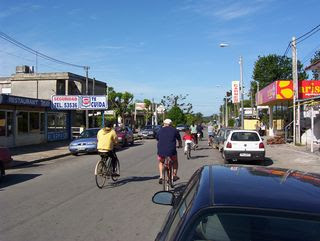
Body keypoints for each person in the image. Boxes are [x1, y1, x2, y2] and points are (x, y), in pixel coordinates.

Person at [156, 119, 182, 184]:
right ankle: (174, 175)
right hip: (171, 151)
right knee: (175, 161)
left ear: (164, 124)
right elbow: (179, 140)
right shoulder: (175, 130)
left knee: (161, 162)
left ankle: (161, 177)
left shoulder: (159, 130)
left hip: (161, 151)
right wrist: (180, 145)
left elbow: (157, 138)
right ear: (171, 124)